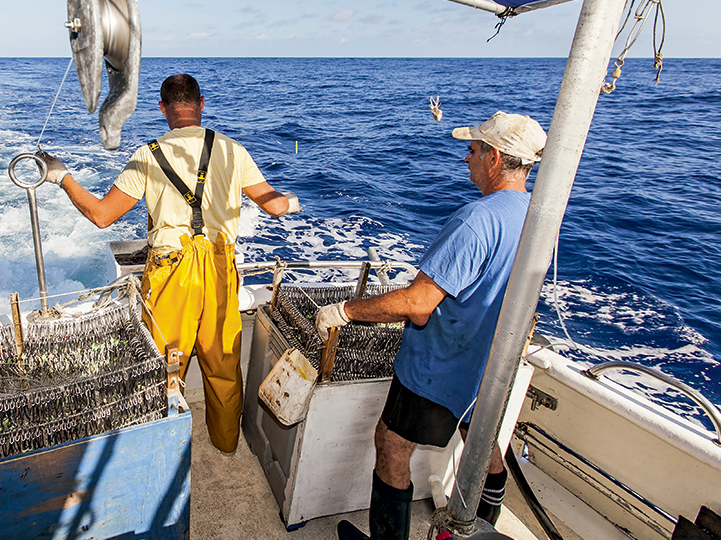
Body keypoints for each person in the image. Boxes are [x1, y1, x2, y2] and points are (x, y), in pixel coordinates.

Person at [314, 111, 547, 540]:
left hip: (441, 368)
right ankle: (470, 531)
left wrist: (345, 310)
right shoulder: (539, 217)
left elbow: (419, 304)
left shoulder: (477, 220)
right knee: (482, 444)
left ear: (495, 158)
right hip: (492, 366)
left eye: (473, 149)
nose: (466, 158)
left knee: (391, 444)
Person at [38, 73, 298, 454]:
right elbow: (275, 206)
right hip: (221, 268)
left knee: (165, 364)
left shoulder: (147, 155)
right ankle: (226, 446)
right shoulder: (232, 149)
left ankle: (160, 450)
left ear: (162, 108)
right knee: (224, 364)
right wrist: (293, 200)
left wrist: (62, 176)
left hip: (170, 271)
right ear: (202, 103)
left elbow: (101, 215)